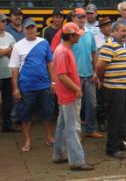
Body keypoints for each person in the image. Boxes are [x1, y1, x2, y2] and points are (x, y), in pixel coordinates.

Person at [52, 22, 94, 171]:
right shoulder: (63, 51)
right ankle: (77, 161)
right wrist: (77, 89)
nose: (79, 38)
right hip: (69, 95)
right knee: (73, 128)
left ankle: (59, 154)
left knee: (63, 125)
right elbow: (62, 76)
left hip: (65, 95)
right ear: (71, 36)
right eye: (77, 35)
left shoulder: (63, 49)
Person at [9, 18, 56, 152]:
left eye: (32, 28)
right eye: (27, 28)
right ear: (23, 30)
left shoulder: (44, 42)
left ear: (36, 29)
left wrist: (53, 82)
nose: (30, 30)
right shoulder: (18, 46)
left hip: (44, 86)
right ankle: (27, 140)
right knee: (25, 115)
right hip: (26, 87)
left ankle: (49, 137)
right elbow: (14, 68)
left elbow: (50, 63)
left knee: (47, 113)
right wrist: (15, 88)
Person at [96, 21, 126, 159]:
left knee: (122, 118)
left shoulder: (121, 46)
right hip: (114, 89)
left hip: (124, 88)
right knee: (115, 119)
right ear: (113, 32)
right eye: (122, 31)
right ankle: (112, 148)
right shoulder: (109, 46)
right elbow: (100, 67)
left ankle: (119, 143)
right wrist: (101, 80)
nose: (125, 33)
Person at [68, 9, 103, 138]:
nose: (82, 19)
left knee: (92, 104)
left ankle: (90, 129)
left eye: (83, 16)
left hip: (89, 75)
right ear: (73, 18)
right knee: (76, 107)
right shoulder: (69, 34)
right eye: (79, 17)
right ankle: (76, 134)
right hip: (74, 76)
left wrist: (96, 71)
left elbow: (94, 52)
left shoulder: (89, 34)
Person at [94, 17, 112, 132]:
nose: (109, 27)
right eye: (106, 26)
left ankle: (110, 120)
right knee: (100, 98)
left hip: (111, 71)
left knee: (110, 98)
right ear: (101, 28)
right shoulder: (95, 39)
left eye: (109, 25)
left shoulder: (113, 39)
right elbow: (94, 57)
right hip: (101, 71)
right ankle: (101, 121)